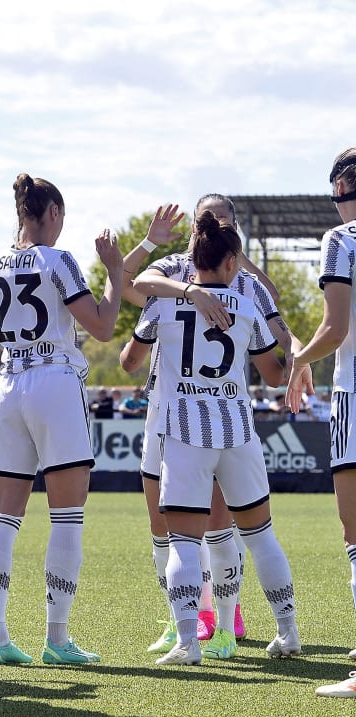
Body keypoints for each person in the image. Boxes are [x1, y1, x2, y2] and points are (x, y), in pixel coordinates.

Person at [126, 195, 310, 652]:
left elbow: (130, 362)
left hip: (183, 431)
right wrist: (296, 362)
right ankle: (287, 632)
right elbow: (272, 375)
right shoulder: (246, 307)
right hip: (236, 431)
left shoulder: (163, 303)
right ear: (231, 261)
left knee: (184, 542)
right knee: (261, 536)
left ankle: (187, 641)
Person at [0, 173, 123, 665]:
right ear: (53, 214)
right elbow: (102, 327)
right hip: (55, 383)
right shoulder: (59, 259)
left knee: (2, 517)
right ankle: (57, 639)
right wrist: (116, 273)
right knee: (67, 517)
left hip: (9, 384)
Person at [287, 147, 356, 697]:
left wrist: (299, 361)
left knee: (355, 532)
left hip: (355, 395)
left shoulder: (342, 240)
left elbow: (335, 330)